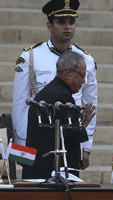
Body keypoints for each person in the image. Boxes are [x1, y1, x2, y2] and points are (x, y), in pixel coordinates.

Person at [12, 0, 97, 170]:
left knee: (68, 189)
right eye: (61, 22)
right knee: (35, 190)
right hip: (38, 137)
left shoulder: (86, 60)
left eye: (71, 22)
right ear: (49, 26)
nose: (67, 27)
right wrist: (22, 149)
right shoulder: (31, 57)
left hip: (70, 137)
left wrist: (85, 146)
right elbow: (20, 105)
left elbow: (90, 105)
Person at [22, 50, 96, 179]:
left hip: (39, 170)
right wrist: (83, 124)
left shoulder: (49, 92)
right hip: (53, 173)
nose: (84, 81)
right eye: (82, 75)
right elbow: (68, 136)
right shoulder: (62, 97)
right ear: (68, 74)